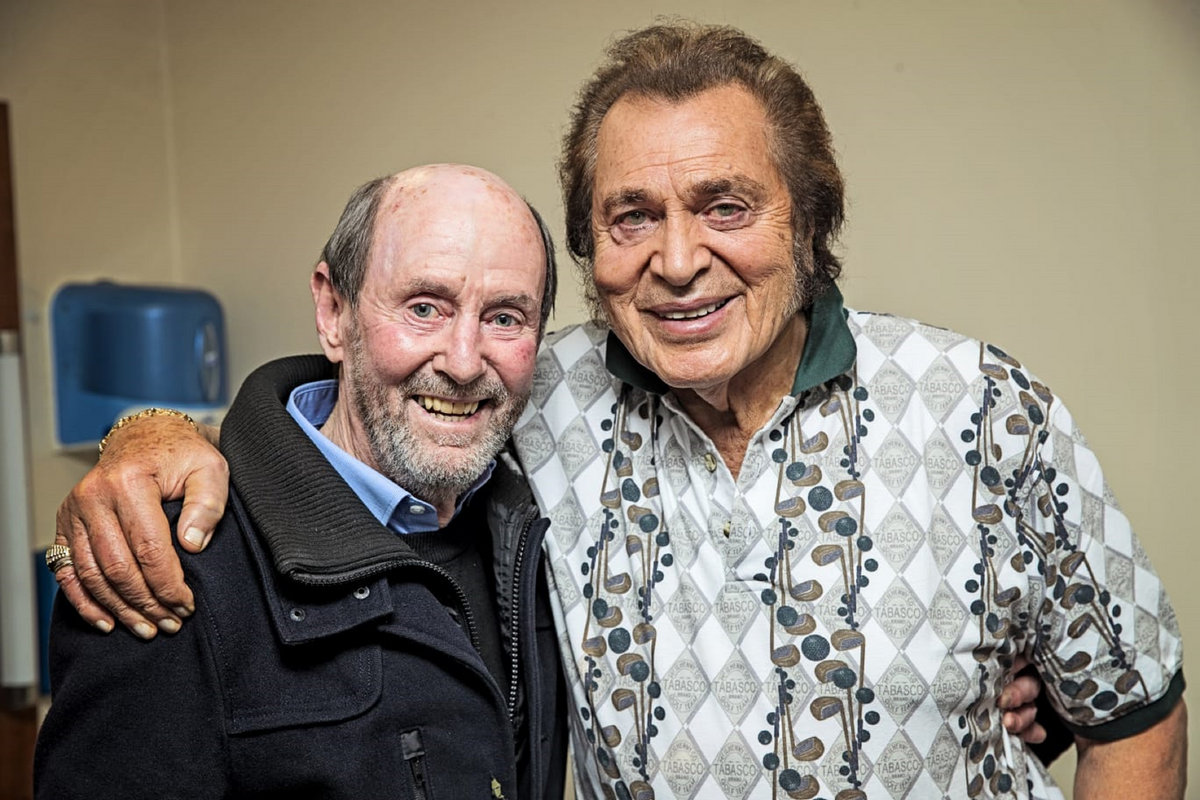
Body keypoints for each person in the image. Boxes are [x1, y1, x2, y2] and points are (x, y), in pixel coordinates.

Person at [47, 22, 1161, 800]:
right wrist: (150, 436)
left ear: (809, 220)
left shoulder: (985, 408)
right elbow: (371, 410)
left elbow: (1136, 715)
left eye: (725, 205)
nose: (678, 261)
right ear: (592, 253)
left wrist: (1000, 700)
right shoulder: (540, 399)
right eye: (631, 218)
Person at [35, 164, 568, 799]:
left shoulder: (541, 523)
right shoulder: (164, 560)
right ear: (333, 311)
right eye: (424, 308)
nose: (463, 362)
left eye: (505, 318)